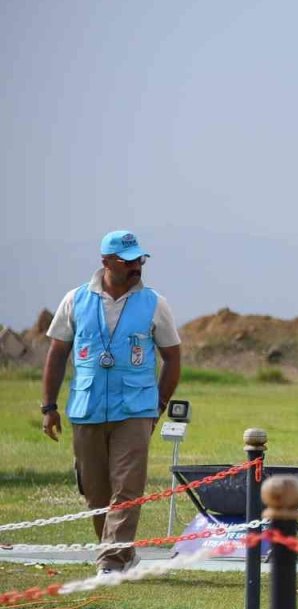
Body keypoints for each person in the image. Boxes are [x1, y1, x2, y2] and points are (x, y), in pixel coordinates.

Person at [40, 230, 182, 576]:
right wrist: (49, 406)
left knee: (127, 488)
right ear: (106, 262)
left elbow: (173, 358)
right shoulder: (75, 300)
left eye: (140, 259)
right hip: (86, 410)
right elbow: (57, 353)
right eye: (128, 260)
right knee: (95, 492)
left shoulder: (154, 302)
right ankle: (121, 552)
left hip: (135, 411)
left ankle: (110, 562)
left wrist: (158, 404)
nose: (137, 266)